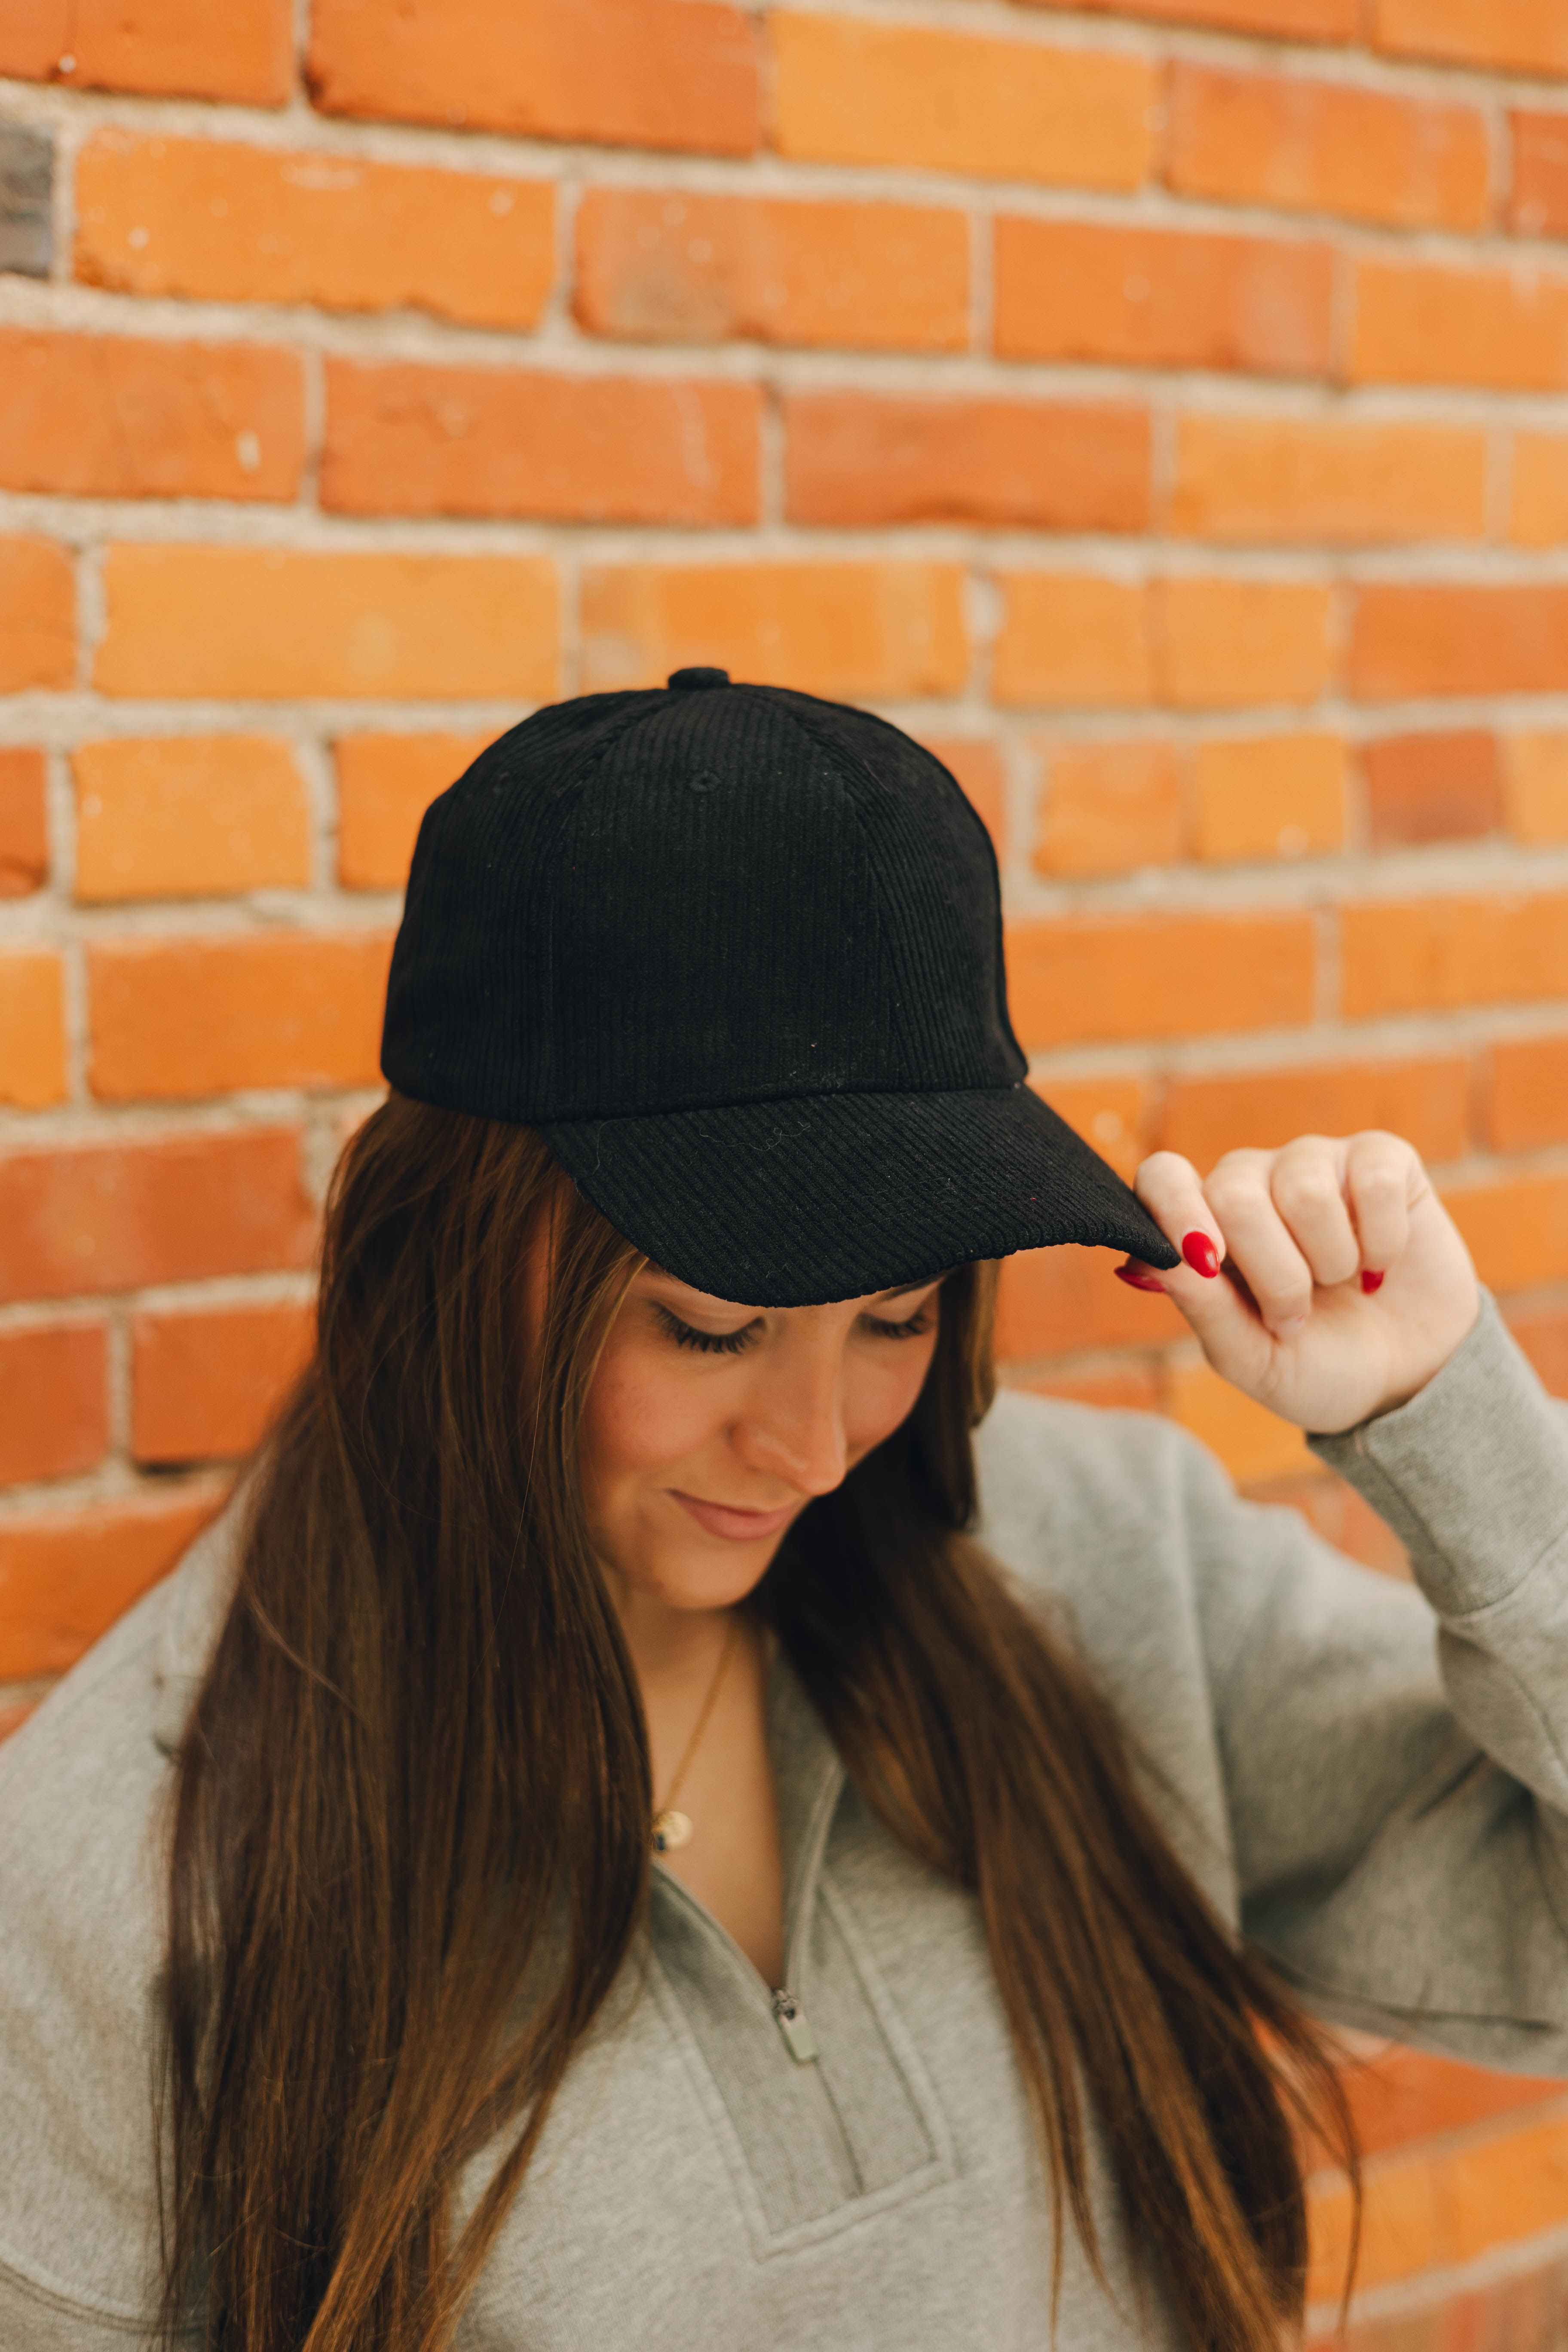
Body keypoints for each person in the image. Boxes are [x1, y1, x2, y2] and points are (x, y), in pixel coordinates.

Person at [0, 668, 1563, 2352]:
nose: (820, 1448)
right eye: (713, 1325)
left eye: (897, 1319)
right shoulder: (119, 1883)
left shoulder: (1104, 1562)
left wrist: (1448, 1423)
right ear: (459, 1259)